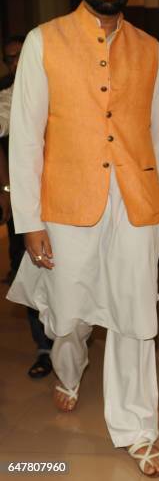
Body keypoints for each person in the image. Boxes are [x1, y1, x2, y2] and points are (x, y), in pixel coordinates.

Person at [7, 0, 159, 477]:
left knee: (134, 315)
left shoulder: (150, 51)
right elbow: (26, 135)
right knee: (69, 315)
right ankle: (68, 369)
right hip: (65, 202)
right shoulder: (44, 41)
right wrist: (28, 221)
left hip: (135, 202)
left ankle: (137, 428)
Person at [1, 36, 53, 378]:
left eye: (21, 55)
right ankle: (45, 348)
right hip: (25, 206)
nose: (17, 62)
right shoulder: (6, 96)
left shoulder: (55, 89)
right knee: (31, 274)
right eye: (10, 58)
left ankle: (71, 341)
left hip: (68, 201)